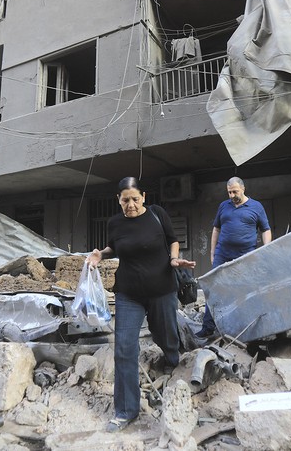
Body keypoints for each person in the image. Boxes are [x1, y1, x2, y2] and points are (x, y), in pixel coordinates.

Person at [86, 177, 196, 433]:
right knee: (124, 348)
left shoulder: (157, 214)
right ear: (118, 200)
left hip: (162, 289)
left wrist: (174, 259)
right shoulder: (115, 223)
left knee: (165, 335)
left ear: (144, 196)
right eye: (125, 200)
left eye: (135, 199)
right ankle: (125, 411)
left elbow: (173, 239)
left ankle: (172, 360)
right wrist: (100, 254)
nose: (131, 205)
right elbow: (115, 247)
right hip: (129, 293)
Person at [196, 177, 272, 338]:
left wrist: (266, 251)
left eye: (235, 191)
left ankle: (247, 328)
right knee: (213, 289)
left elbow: (266, 229)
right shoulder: (223, 206)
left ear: (243, 188)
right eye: (229, 192)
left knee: (245, 289)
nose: (231, 195)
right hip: (222, 254)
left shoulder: (256, 207)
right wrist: (212, 253)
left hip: (245, 255)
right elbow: (216, 229)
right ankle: (208, 327)